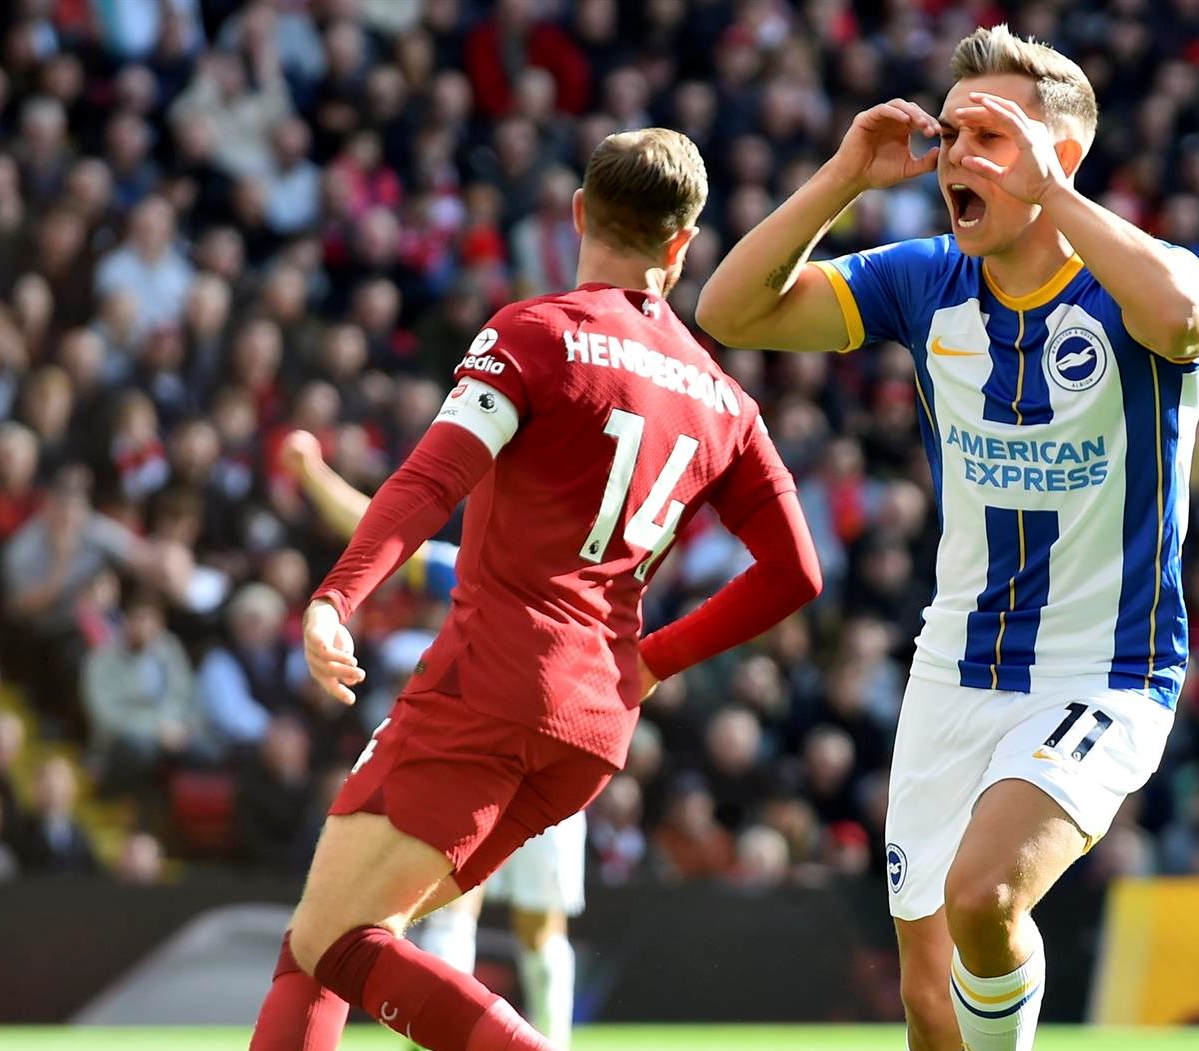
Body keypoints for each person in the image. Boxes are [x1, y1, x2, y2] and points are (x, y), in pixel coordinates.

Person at [697, 24, 1199, 1051]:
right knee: (927, 998)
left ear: (1055, 155)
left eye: (993, 135)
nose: (958, 160)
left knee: (984, 897)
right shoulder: (928, 280)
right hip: (954, 665)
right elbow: (729, 309)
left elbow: (1185, 323)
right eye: (954, 133)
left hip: (1101, 669)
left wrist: (1048, 190)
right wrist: (844, 174)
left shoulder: (1132, 280)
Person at [249, 127, 822, 1051]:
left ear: (576, 216)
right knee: (327, 941)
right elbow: (797, 572)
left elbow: (427, 481)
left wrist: (335, 596)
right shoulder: (726, 400)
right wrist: (652, 661)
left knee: (330, 941)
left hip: (493, 683)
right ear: (683, 245)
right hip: (592, 727)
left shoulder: (538, 332)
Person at [282, 427, 587, 1047]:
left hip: (512, 735)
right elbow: (383, 527)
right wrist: (313, 475)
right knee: (483, 912)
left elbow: (384, 527)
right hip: (541, 737)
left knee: (524, 922)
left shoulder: (546, 576)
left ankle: (547, 1041)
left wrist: (311, 470)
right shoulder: (482, 568)